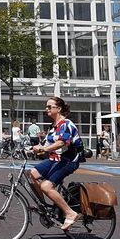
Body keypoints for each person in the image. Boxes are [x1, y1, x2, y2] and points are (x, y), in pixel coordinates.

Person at [28, 96, 84, 231]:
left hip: (69, 160)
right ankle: (44, 206)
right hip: (56, 159)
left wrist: (44, 149)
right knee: (32, 174)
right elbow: (45, 145)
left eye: (49, 107)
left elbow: (62, 142)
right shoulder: (53, 127)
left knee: (46, 186)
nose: (46, 109)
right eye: (46, 106)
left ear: (58, 109)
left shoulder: (66, 124)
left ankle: (70, 213)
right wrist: (29, 149)